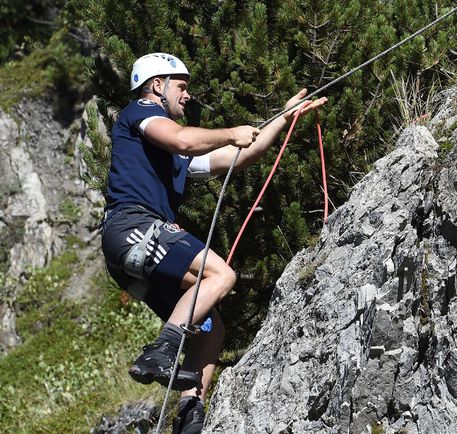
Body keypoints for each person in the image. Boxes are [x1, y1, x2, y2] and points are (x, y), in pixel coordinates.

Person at [100, 52, 326, 434]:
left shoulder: (174, 157)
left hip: (130, 247)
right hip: (133, 226)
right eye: (181, 86)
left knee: (210, 327)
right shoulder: (140, 112)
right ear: (157, 85)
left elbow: (240, 155)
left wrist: (283, 118)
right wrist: (230, 131)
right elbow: (183, 139)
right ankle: (161, 350)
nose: (187, 95)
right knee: (221, 275)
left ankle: (189, 413)